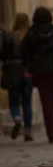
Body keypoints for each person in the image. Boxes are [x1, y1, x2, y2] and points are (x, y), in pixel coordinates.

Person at [20, 7, 53, 143]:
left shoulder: (32, 33)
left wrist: (27, 66)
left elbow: (23, 52)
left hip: (41, 72)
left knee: (47, 102)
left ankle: (52, 134)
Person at [0, 13, 33, 141]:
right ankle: (28, 130)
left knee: (13, 100)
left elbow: (2, 54)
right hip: (26, 71)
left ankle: (16, 118)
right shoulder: (29, 36)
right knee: (27, 102)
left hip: (11, 71)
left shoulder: (8, 36)